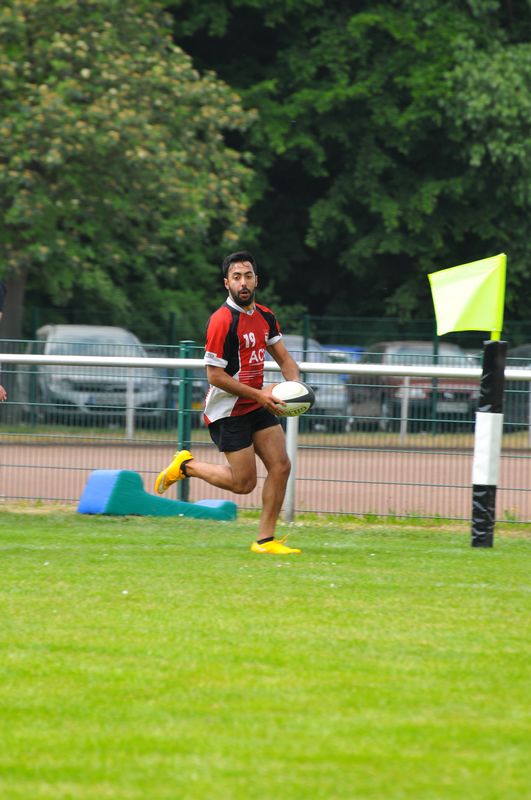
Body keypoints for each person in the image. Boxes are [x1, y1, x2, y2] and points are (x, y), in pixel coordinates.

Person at [155, 250, 303, 554]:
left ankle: (265, 541)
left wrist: (295, 388)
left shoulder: (265, 316)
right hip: (227, 411)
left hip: (257, 404)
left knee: (281, 466)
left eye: (248, 276)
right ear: (227, 283)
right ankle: (186, 466)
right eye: (236, 277)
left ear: (257, 280)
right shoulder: (222, 321)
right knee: (243, 483)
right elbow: (215, 376)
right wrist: (260, 394)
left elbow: (286, 360)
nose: (243, 282)